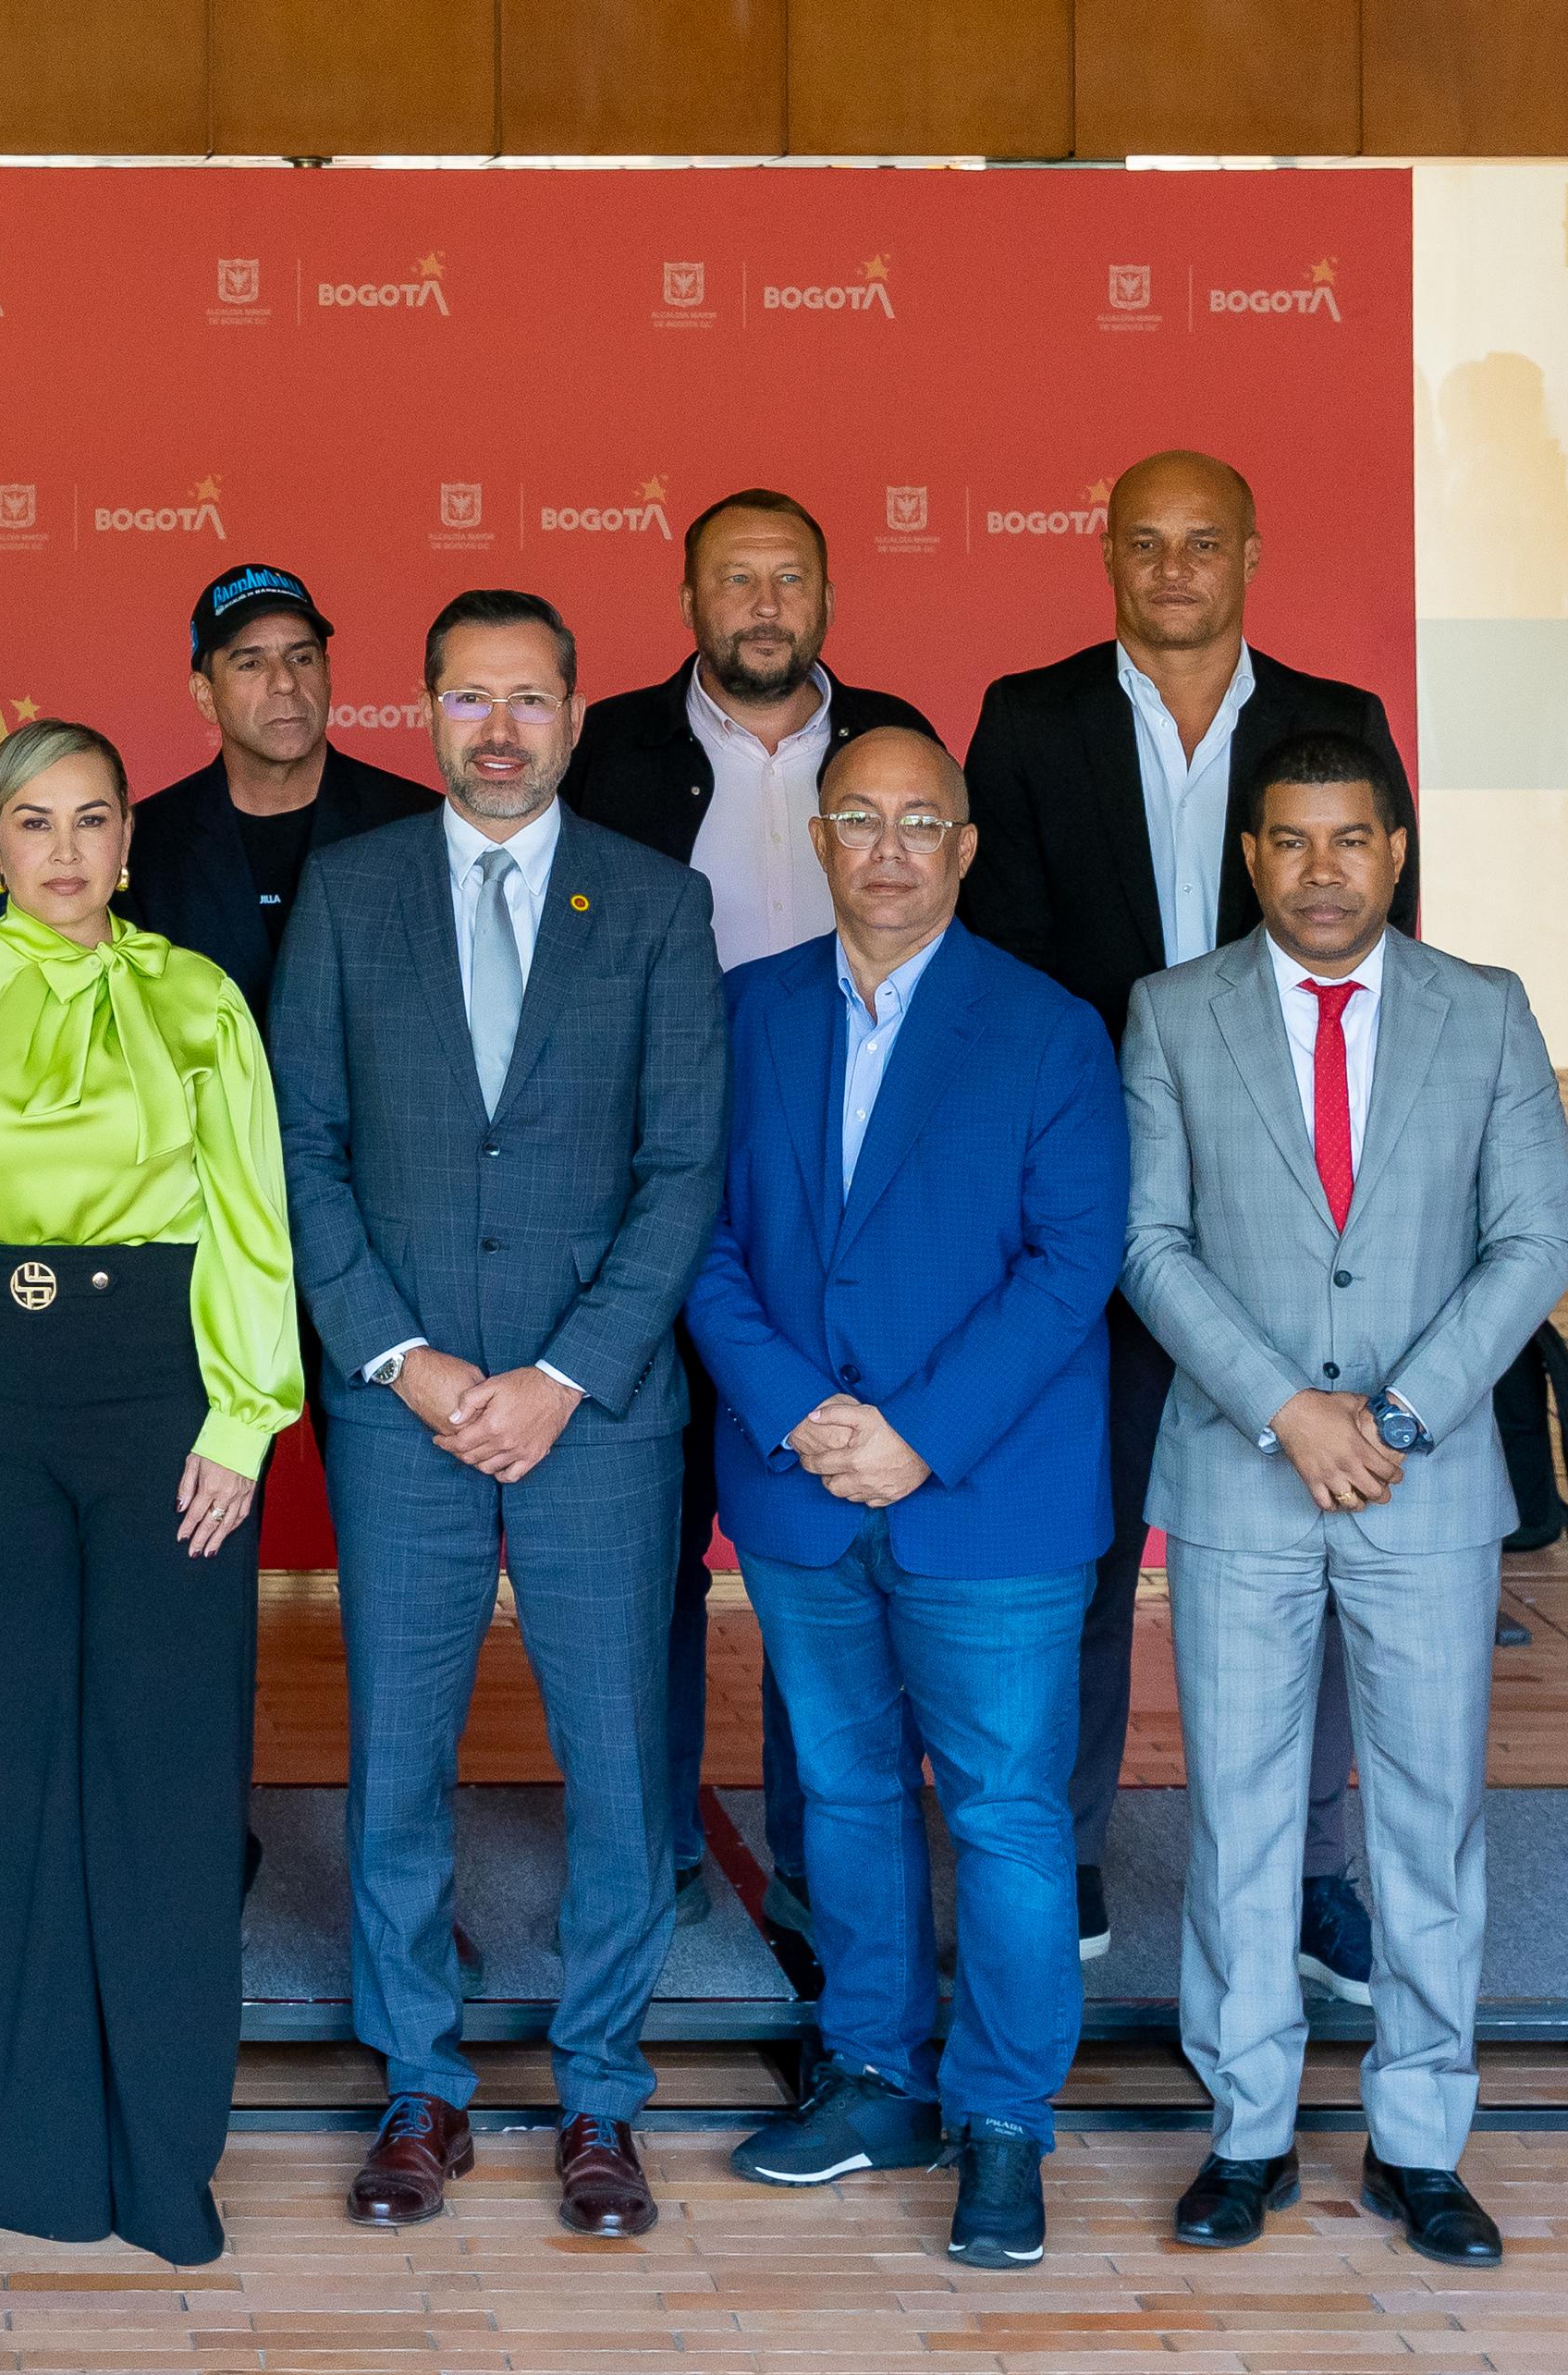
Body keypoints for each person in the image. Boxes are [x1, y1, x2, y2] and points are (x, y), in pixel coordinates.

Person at [272, 589, 725, 2241]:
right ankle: (421, 2082)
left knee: (618, 1765)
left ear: (577, 714)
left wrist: (561, 1372)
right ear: (424, 710)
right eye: (470, 698)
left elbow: (684, 1168)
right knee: (398, 1760)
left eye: (531, 699)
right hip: (404, 1410)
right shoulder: (351, 889)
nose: (501, 730)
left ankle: (603, 2092)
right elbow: (298, 1145)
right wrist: (400, 1355)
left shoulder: (658, 903)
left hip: (595, 1413)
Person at [1123, 729, 1568, 2267]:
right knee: (1241, 1818)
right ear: (1251, 855)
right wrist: (1287, 1410)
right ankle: (1246, 2132)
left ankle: (1419, 2143)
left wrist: (1394, 1415)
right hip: (1243, 1477)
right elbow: (1148, 1241)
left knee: (1431, 1822)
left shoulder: (1486, 1009)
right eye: (1291, 841)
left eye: (1352, 839)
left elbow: (1534, 1238)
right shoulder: (1172, 1011)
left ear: (1397, 850)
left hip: (1424, 1488)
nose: (1322, 870)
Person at [0, 717, 296, 2264]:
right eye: (31, 822)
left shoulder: (198, 997)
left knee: (167, 1772)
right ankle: (34, 2154)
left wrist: (244, 1418)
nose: (62, 850)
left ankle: (168, 2157)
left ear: (126, 839)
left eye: (91, 819)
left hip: (165, 1396)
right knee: (5, 1766)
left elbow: (250, 1215)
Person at [683, 727, 1124, 2271]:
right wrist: (805, 1413)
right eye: (858, 818)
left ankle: (1003, 2119)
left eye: (920, 821)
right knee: (848, 1794)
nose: (888, 848)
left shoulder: (1050, 1027)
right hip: (802, 1484)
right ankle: (878, 2075)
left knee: (1005, 1817)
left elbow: (1073, 1262)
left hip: (987, 1501)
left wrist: (918, 1434)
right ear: (816, 839)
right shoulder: (744, 1013)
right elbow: (696, 1237)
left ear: (965, 845)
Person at [960, 449, 1401, 1983]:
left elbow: (1369, 967)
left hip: (1289, 1225)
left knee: (1308, 1561)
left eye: (1202, 542)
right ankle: (1065, 1847)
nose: (1172, 569)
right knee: (1074, 1549)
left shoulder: (1337, 720)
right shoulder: (1031, 717)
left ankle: (1314, 1871)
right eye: (1143, 542)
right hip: (1086, 1207)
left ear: (1252, 554)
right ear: (1106, 555)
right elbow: (1006, 967)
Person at [565, 492, 940, 1936]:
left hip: (847, 1206)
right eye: (737, 578)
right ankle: (650, 1842)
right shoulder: (613, 752)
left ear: (830, 594)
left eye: (791, 575)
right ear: (688, 601)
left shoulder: (897, 738)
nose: (766, 602)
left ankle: (814, 1861)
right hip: (652, 1186)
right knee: (647, 1549)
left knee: (824, 1536)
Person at [117, 564, 436, 1020]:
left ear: (328, 673)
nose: (285, 682)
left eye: (301, 658)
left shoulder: (420, 825)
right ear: (205, 695)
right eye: (250, 663)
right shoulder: (142, 844)